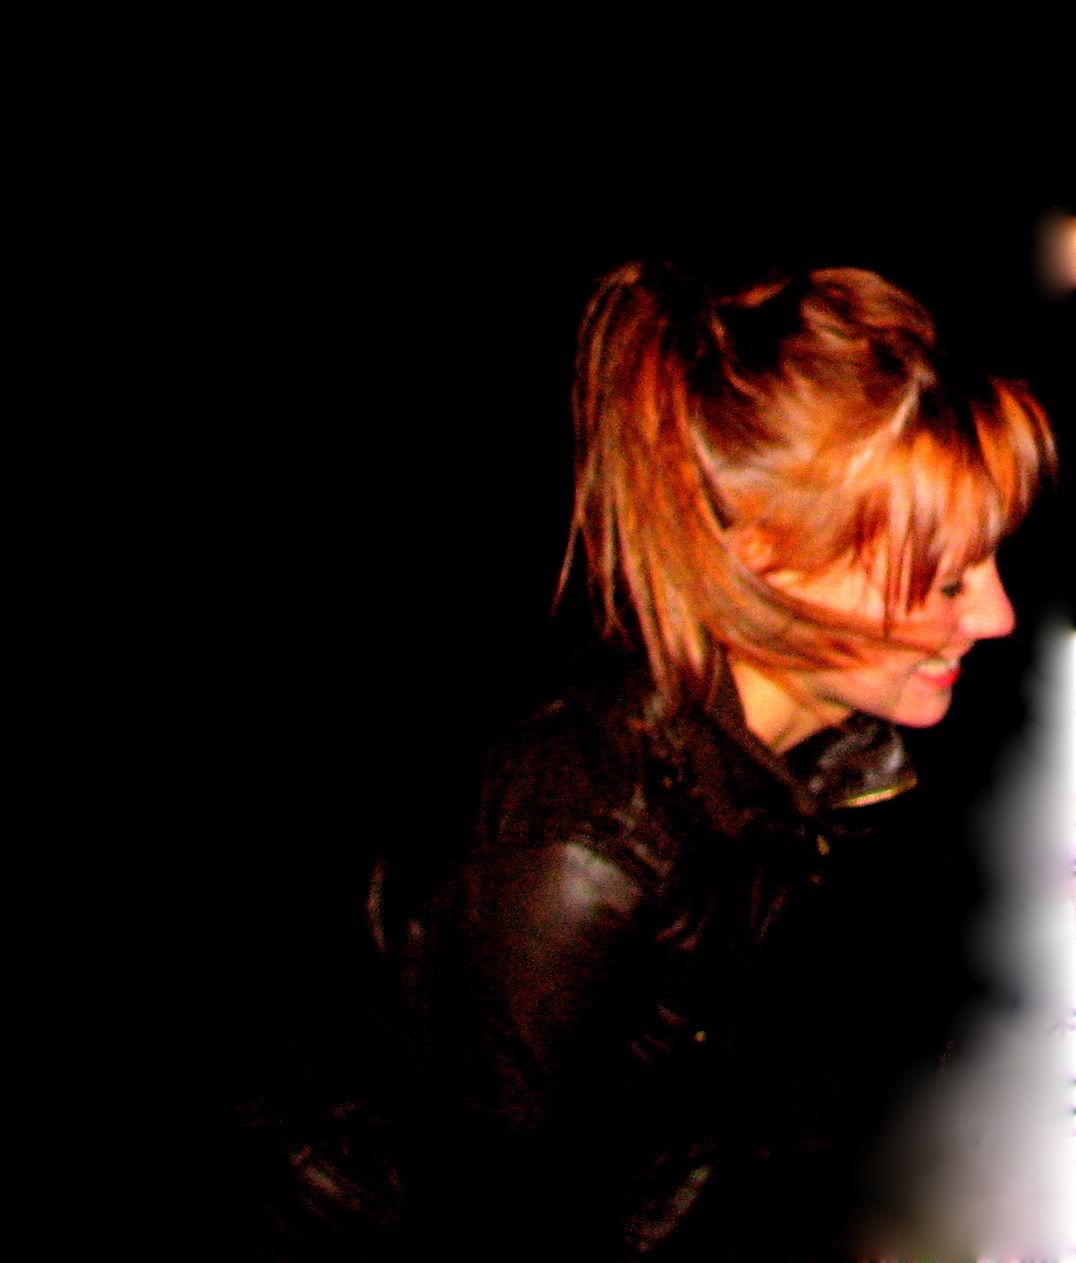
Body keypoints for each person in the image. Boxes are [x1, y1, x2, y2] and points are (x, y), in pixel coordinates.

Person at [289, 261, 1055, 1260]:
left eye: (989, 559)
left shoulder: (833, 761)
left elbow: (770, 1106)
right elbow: (501, 1228)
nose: (996, 614)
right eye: (945, 580)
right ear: (769, 563)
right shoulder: (576, 854)